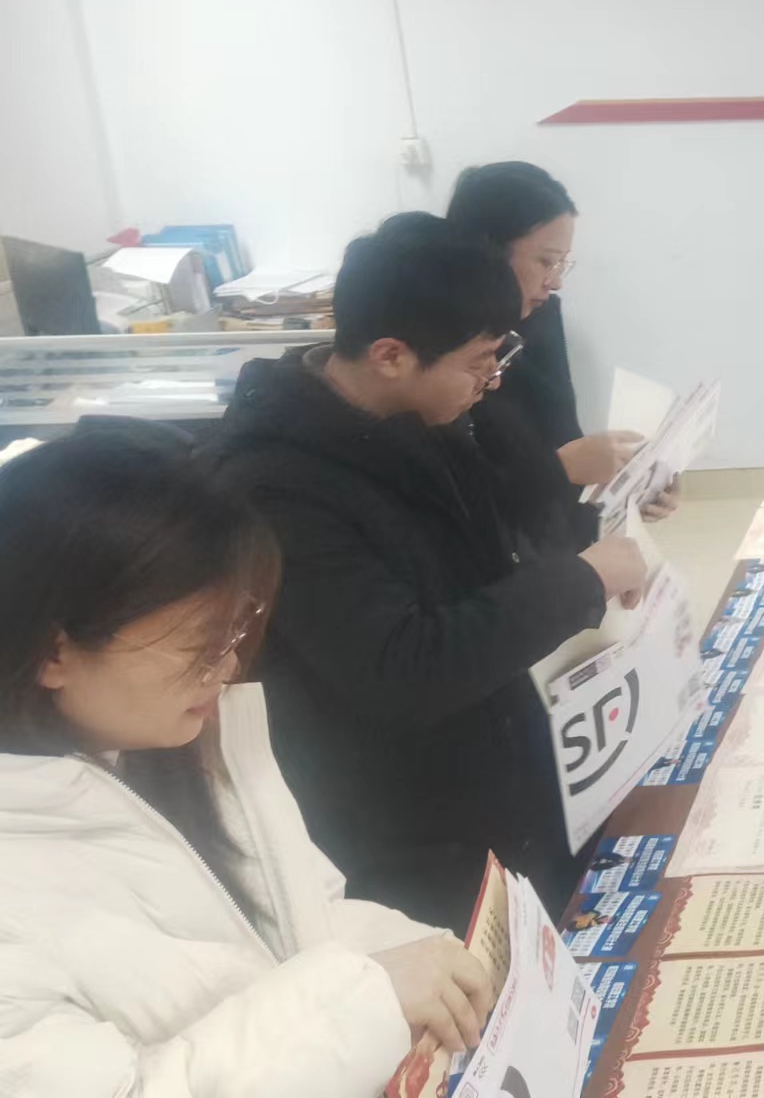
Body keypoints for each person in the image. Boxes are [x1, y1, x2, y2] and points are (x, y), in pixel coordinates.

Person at [0, 421, 498, 1096]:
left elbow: (303, 921)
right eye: (203, 646)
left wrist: (436, 960)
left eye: (236, 633)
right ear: (53, 652)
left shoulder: (167, 748)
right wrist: (370, 995)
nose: (230, 667)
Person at [206, 213, 649, 930]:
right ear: (390, 355)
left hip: (491, 762)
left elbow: (485, 541)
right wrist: (582, 581)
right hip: (402, 824)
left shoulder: (413, 416)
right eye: (479, 362)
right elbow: (404, 667)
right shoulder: (272, 487)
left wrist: (608, 513)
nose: (491, 380)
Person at [448, 161, 679, 533]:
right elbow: (460, 504)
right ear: (487, 251)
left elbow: (562, 436)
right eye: (545, 262)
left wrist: (627, 488)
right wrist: (562, 469)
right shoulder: (441, 348)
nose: (555, 282)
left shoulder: (539, 317)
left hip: (559, 539)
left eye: (561, 264)